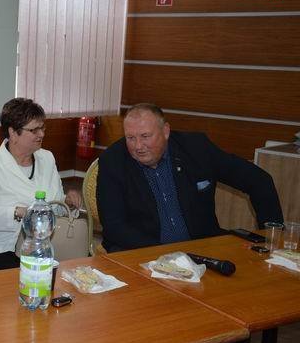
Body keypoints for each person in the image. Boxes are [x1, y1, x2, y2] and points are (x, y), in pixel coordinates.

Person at [97, 103, 283, 252]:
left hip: (202, 249)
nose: (138, 146)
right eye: (130, 138)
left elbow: (259, 181)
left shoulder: (196, 148)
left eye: (145, 136)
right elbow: (114, 226)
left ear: (165, 131)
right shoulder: (112, 161)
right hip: (142, 253)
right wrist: (165, 254)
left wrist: (271, 238)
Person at [0, 98, 82, 272]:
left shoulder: (47, 158)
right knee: (40, 279)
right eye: (34, 130)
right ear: (13, 132)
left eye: (42, 128)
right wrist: (16, 212)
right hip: (0, 249)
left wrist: (67, 202)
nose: (41, 134)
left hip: (44, 246)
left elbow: (53, 206)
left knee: (73, 276)